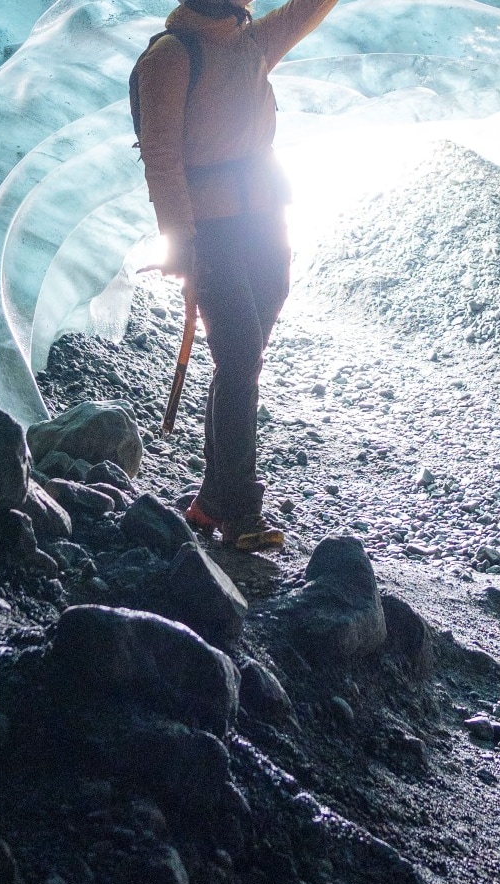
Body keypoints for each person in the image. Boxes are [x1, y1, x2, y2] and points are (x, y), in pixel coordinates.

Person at [131, 0, 338, 552]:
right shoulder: (173, 56)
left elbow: (307, 8)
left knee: (242, 361)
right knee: (242, 355)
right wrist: (180, 243)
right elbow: (161, 155)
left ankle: (211, 499)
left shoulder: (249, 44)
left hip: (267, 223)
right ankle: (241, 511)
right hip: (212, 234)